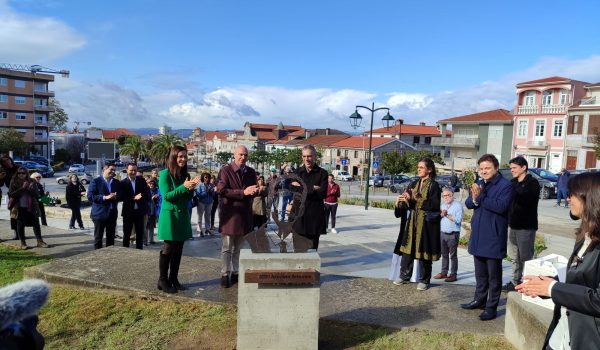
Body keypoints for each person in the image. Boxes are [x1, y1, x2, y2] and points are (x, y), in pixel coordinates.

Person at [516, 173, 600, 349]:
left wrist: (552, 288)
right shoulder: (585, 237)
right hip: (561, 334)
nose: (568, 198)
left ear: (589, 197)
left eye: (572, 194)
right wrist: (545, 285)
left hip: (586, 339)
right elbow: (579, 282)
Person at [461, 154, 513, 321]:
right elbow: (469, 203)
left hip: (493, 235)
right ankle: (479, 299)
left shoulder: (506, 185)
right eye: (481, 168)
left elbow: (501, 206)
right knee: (480, 274)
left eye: (487, 168)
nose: (484, 171)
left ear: (496, 168)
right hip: (478, 234)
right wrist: (475, 196)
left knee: (493, 277)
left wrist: (480, 196)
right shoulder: (480, 183)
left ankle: (491, 307)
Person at [393, 158, 441, 291]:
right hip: (412, 223)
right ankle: (404, 275)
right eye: (418, 167)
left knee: (425, 253)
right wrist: (400, 202)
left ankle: (424, 279)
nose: (418, 169)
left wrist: (417, 199)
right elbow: (407, 203)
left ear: (429, 170)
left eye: (421, 167)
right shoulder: (413, 183)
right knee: (408, 250)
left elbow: (434, 205)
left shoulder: (434, 186)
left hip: (426, 225)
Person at [157, 146, 200, 293]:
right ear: (173, 158)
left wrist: (191, 188)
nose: (183, 159)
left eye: (185, 156)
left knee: (179, 248)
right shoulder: (164, 174)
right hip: (169, 216)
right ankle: (163, 280)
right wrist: (184, 187)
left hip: (182, 216)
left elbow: (187, 197)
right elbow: (167, 196)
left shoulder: (185, 175)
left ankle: (173, 279)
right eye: (180, 156)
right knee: (168, 248)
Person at [217, 145, 258, 288]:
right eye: (240, 154)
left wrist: (257, 191)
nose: (243, 157)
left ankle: (235, 272)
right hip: (230, 215)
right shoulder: (225, 170)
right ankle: (224, 273)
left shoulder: (251, 171)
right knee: (227, 248)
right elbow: (221, 190)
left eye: (245, 155)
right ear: (234, 155)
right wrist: (243, 192)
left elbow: (252, 190)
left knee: (239, 248)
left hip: (245, 215)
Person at [504, 156, 540, 292]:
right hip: (513, 225)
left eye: (514, 168)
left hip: (526, 227)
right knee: (514, 257)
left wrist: (512, 190)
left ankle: (527, 283)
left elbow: (526, 199)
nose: (512, 170)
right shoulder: (512, 183)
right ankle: (514, 282)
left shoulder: (532, 183)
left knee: (525, 257)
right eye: (511, 168)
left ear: (523, 167)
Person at [292, 145, 328, 250]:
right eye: (304, 156)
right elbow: (292, 189)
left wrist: (301, 187)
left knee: (312, 252)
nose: (306, 159)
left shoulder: (323, 173)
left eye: (309, 156)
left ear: (315, 156)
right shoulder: (297, 172)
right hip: (299, 218)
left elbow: (322, 194)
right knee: (298, 251)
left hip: (314, 218)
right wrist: (313, 188)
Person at [8, 167, 48, 249]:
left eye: (23, 173)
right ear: (17, 173)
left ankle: (40, 241)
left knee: (36, 224)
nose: (21, 175)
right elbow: (11, 194)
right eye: (19, 173)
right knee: (20, 225)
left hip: (31, 207)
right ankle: (23, 243)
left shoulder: (32, 181)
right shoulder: (13, 181)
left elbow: (37, 195)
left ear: (26, 174)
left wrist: (30, 189)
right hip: (19, 207)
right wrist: (23, 188)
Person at [88, 163, 121, 250]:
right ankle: (98, 258)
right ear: (104, 170)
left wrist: (117, 196)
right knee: (98, 238)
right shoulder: (96, 181)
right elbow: (90, 196)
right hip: (99, 215)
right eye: (111, 169)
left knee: (110, 239)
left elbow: (121, 196)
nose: (113, 172)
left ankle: (109, 257)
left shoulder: (116, 182)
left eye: (114, 170)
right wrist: (105, 197)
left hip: (112, 214)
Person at [433, 187, 463, 283]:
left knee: (453, 256)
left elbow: (458, 220)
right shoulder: (442, 205)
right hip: (442, 233)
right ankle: (444, 272)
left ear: (452, 195)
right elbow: (438, 219)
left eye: (448, 195)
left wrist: (447, 215)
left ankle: (453, 274)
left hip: (453, 234)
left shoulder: (458, 206)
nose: (446, 197)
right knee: (444, 254)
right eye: (444, 195)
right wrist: (441, 215)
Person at [120, 163, 150, 250]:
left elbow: (147, 194)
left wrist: (142, 196)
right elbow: (121, 197)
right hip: (128, 212)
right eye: (131, 170)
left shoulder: (141, 181)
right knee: (127, 234)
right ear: (127, 170)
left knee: (140, 234)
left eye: (135, 170)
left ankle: (139, 251)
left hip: (139, 212)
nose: (133, 172)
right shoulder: (123, 183)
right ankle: (125, 251)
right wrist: (133, 198)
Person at [0, 156, 19, 239]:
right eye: (4, 162)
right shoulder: (3, 171)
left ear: (10, 160)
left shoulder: (18, 168)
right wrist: (0, 178)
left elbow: (27, 178)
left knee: (23, 213)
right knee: (13, 213)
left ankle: (20, 232)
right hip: (12, 194)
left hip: (22, 193)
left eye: (7, 160)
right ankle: (16, 232)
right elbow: (0, 185)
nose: (6, 162)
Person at [195, 172, 215, 237]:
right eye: (206, 177)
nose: (207, 179)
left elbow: (214, 195)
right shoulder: (200, 185)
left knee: (207, 216)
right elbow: (198, 195)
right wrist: (206, 193)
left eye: (208, 177)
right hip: (201, 202)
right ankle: (199, 230)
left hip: (209, 203)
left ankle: (207, 229)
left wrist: (212, 192)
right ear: (203, 178)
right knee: (199, 217)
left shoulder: (212, 185)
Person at [145, 178, 161, 245]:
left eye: (152, 183)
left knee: (152, 225)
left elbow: (160, 198)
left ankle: (151, 239)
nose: (151, 185)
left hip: (154, 209)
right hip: (148, 209)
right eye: (149, 183)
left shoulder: (157, 190)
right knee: (147, 225)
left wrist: (157, 197)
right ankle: (148, 240)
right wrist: (151, 198)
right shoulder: (146, 190)